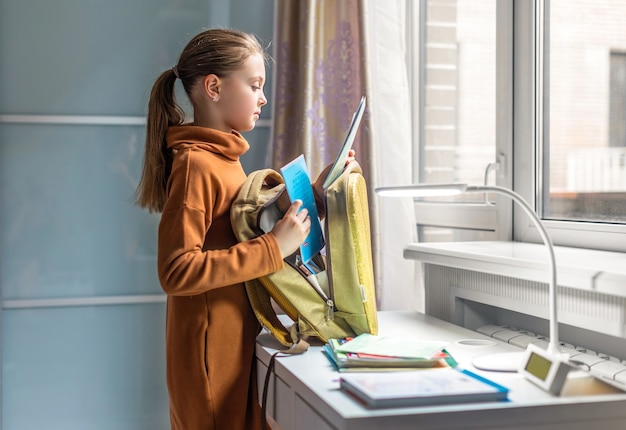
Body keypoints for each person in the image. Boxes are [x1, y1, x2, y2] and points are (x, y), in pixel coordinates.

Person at [134, 28, 348, 430]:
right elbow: (176, 271)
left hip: (234, 343)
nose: (263, 98)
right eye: (254, 85)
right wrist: (273, 246)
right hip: (210, 357)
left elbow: (240, 228)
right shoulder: (196, 165)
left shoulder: (224, 158)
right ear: (214, 87)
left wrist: (314, 198)